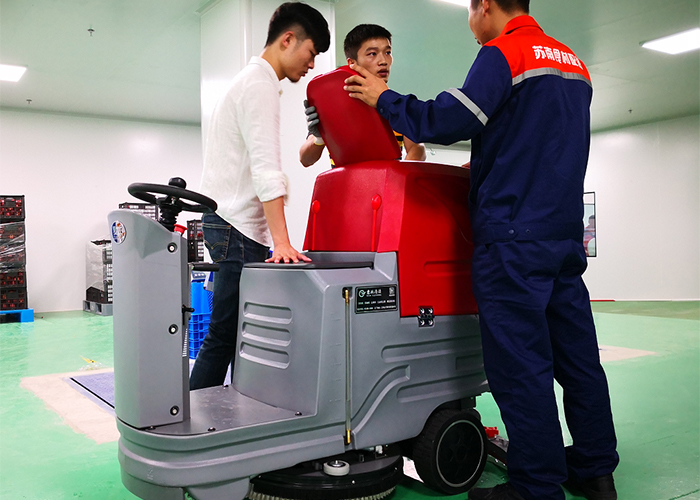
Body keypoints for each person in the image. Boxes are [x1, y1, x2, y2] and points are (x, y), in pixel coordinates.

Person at [343, 1, 618, 499]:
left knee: (521, 366)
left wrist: (386, 99)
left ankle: (536, 487)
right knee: (578, 361)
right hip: (561, 237)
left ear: (483, 6)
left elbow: (449, 119)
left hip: (512, 240)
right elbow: (535, 142)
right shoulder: (573, 62)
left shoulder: (503, 53)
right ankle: (596, 472)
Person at [190, 2, 330, 391]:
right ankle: (194, 420)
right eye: (311, 53)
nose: (312, 64)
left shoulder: (249, 81)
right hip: (236, 226)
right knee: (225, 334)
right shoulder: (259, 85)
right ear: (288, 40)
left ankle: (228, 412)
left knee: (233, 333)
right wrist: (282, 242)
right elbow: (266, 171)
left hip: (227, 222)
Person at [299, 24, 426, 167]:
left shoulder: (397, 104)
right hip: (345, 181)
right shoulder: (333, 105)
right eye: (372, 54)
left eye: (387, 52)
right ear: (352, 63)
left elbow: (417, 148)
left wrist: (397, 175)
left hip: (388, 179)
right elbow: (305, 159)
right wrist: (319, 138)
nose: (383, 61)